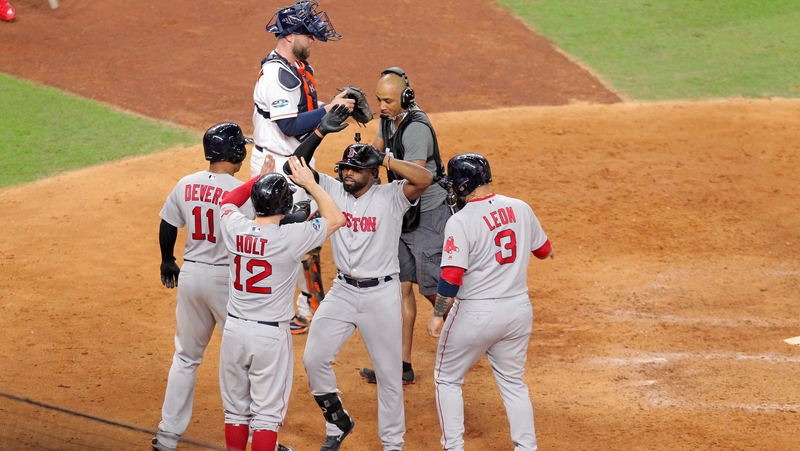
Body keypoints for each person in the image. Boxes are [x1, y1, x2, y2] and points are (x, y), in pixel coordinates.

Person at [284, 119, 432, 451]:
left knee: (390, 375)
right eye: (345, 168)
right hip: (343, 291)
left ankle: (393, 444)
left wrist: (382, 158)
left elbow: (425, 178)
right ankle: (337, 423)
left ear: (373, 174)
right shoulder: (333, 189)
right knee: (314, 358)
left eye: (355, 169)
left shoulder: (392, 195)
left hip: (381, 295)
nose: (348, 173)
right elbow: (292, 164)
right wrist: (320, 131)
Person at [426, 153, 554, 451]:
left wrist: (437, 314)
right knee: (513, 384)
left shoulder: (461, 221)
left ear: (462, 185)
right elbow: (544, 249)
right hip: (518, 311)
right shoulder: (520, 207)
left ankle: (453, 447)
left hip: (476, 312)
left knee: (447, 379)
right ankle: (526, 448)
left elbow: (453, 274)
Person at [217, 155, 344, 451]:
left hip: (234, 330)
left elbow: (227, 201)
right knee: (266, 418)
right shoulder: (290, 236)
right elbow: (336, 218)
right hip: (269, 337)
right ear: (286, 206)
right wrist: (311, 183)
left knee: (235, 412)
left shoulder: (235, 227)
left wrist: (255, 181)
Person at [252, 0, 354, 335]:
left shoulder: (296, 67)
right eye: (307, 35)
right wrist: (329, 111)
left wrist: (329, 106)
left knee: (304, 235)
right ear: (288, 36)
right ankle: (307, 305)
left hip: (296, 161)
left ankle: (309, 304)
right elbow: (289, 126)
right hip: (279, 167)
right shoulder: (279, 76)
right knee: (295, 236)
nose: (312, 41)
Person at [152, 123, 254, 451]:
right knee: (240, 360)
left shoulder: (186, 184)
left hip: (191, 276)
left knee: (185, 357)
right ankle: (254, 437)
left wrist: (168, 261)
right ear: (235, 152)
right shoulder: (242, 191)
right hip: (226, 281)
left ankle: (167, 437)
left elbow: (168, 223)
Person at [359, 66, 450, 386]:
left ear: (406, 98)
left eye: (388, 100)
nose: (381, 106)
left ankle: (472, 333)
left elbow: (418, 176)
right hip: (402, 213)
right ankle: (402, 366)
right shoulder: (387, 118)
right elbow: (376, 149)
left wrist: (381, 161)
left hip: (428, 215)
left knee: (433, 290)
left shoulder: (416, 129)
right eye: (378, 99)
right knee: (401, 289)